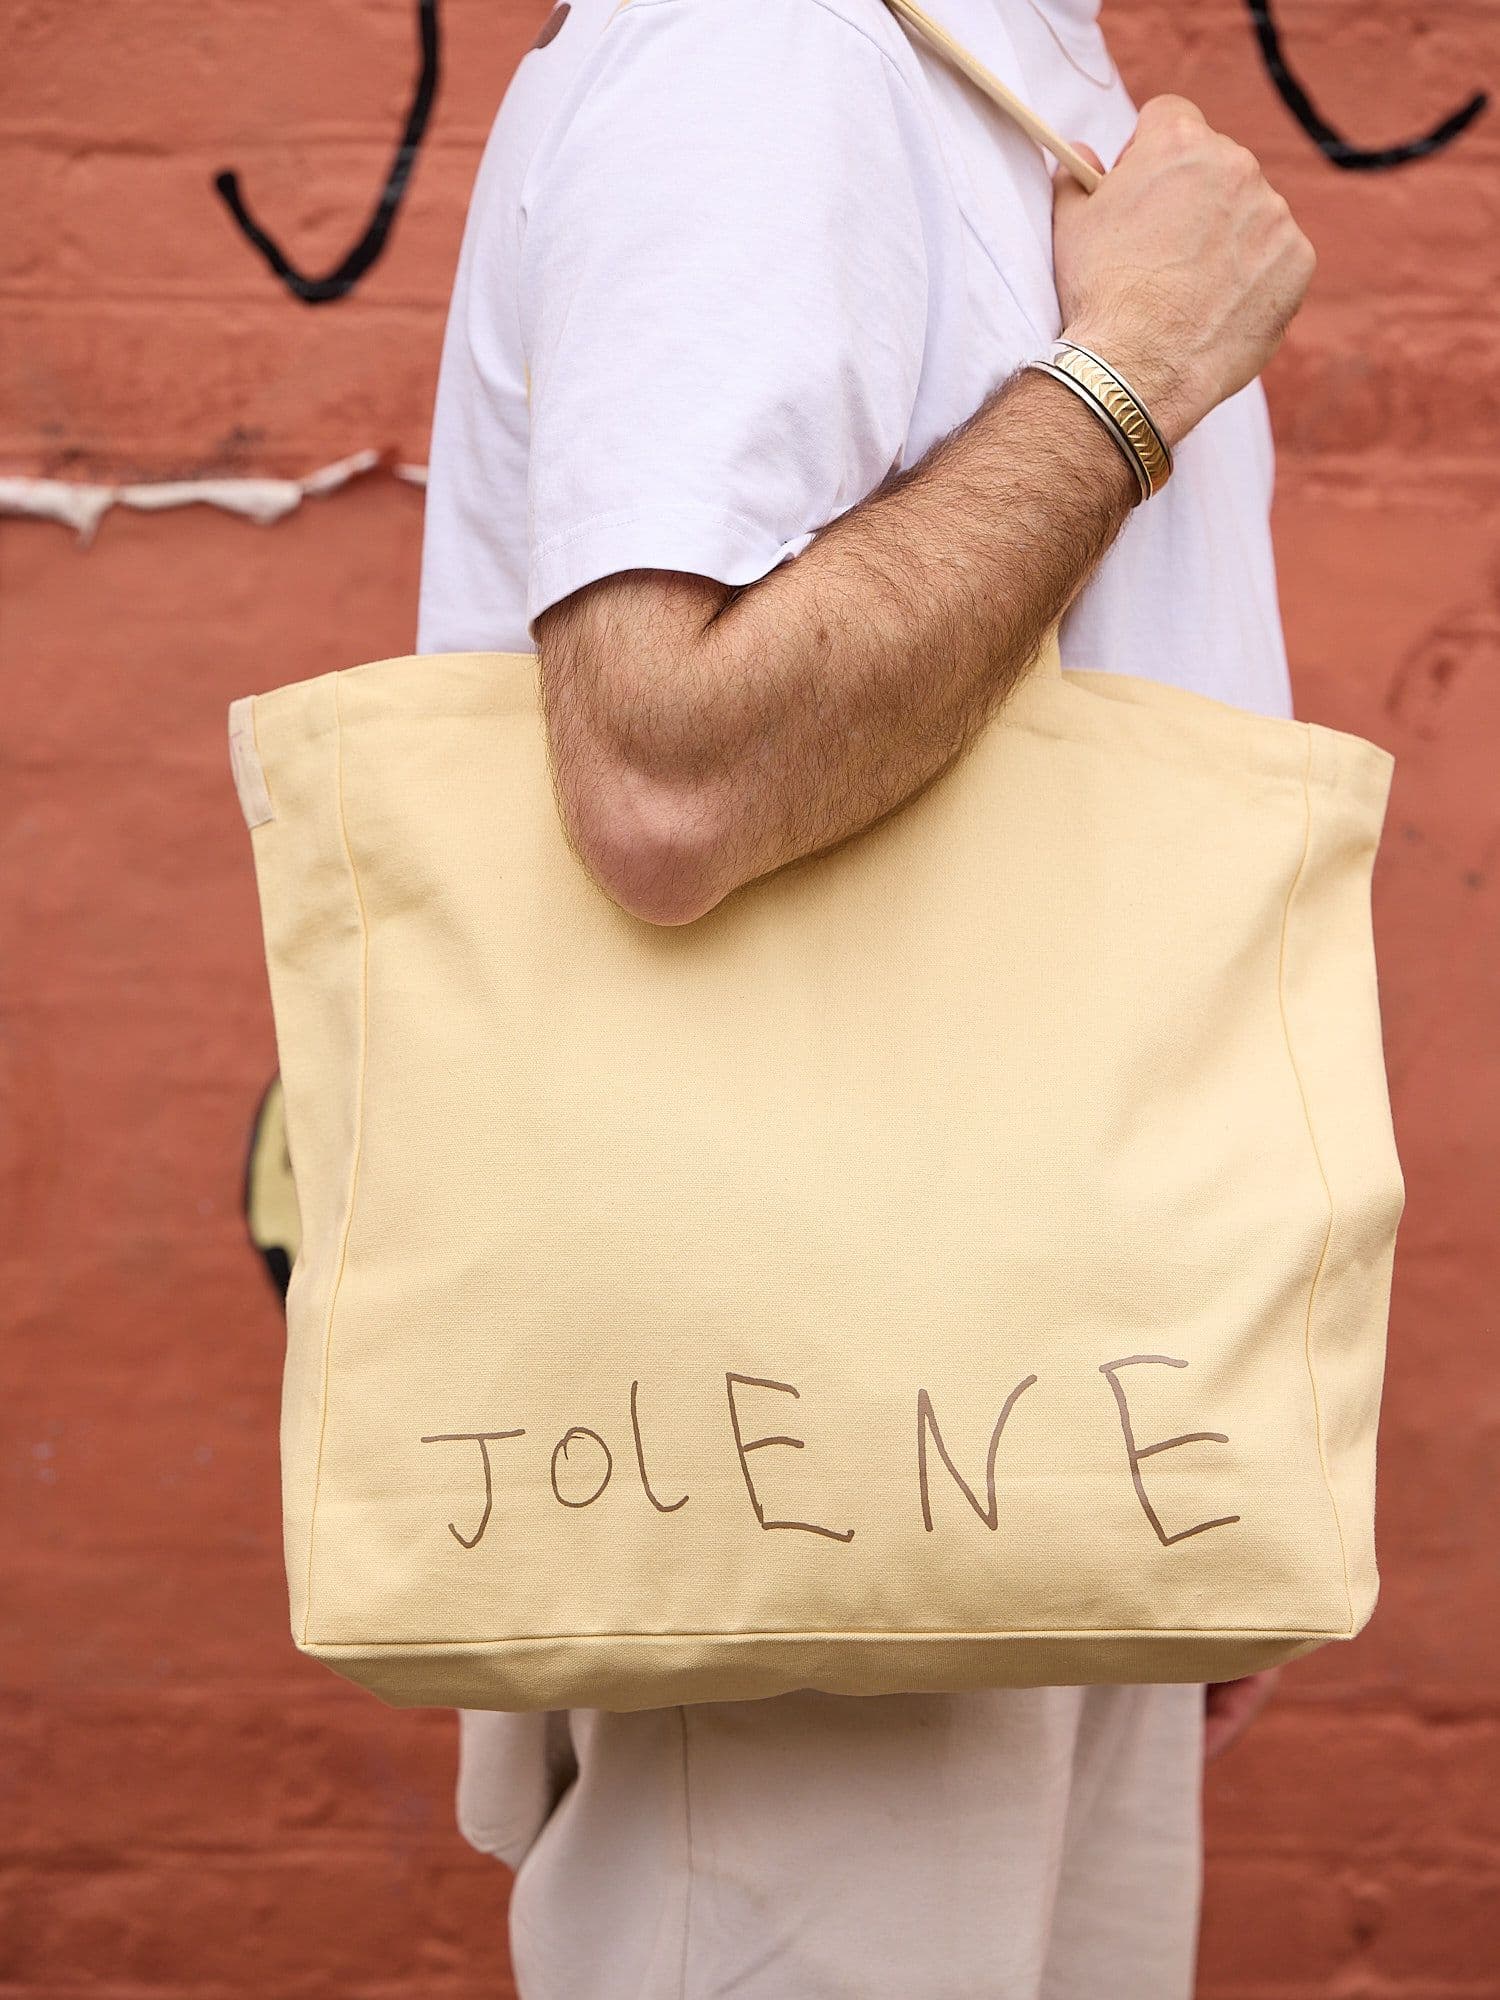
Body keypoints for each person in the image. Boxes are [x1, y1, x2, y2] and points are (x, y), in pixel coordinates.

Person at [417, 0, 1312, 1992]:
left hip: (1056, 1419)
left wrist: (1198, 1421)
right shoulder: (773, 48)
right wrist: (1131, 371)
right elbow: (669, 767)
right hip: (807, 1443)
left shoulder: (1003, 72)